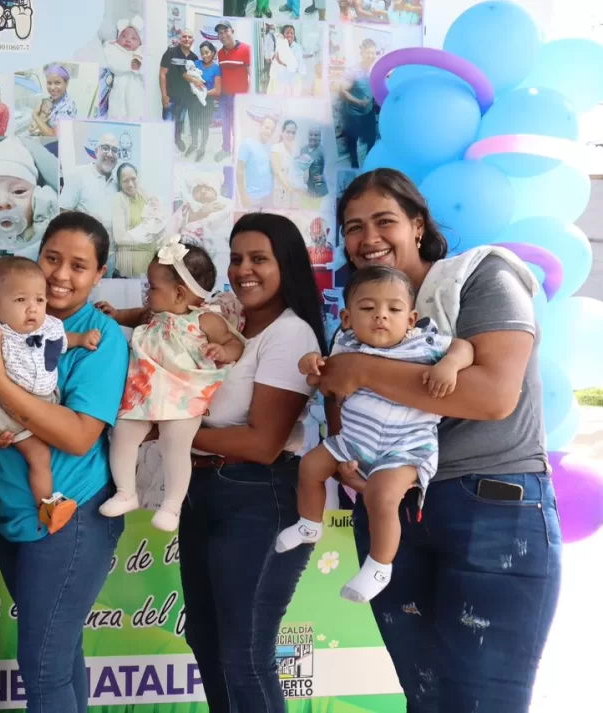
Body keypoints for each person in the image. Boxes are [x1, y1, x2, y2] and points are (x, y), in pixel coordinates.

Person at [318, 169, 558, 711]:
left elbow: (492, 395)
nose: (368, 238)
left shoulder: (481, 275)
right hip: (392, 511)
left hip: (492, 507)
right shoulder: (355, 322)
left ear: (418, 225)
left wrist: (358, 368)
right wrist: (347, 456)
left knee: (483, 701)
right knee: (424, 697)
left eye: (384, 221)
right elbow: (341, 404)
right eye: (353, 228)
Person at [155, 212, 325, 712]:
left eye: (259, 259)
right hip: (202, 493)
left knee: (245, 656)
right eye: (235, 258)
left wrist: (173, 435)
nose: (242, 269)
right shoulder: (224, 321)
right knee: (206, 644)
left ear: (286, 265)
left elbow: (263, 443)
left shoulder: (291, 336)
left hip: (259, 496)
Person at [0, 212, 128, 711]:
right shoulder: (1, 319)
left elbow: (80, 436)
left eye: (79, 266)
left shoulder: (100, 336)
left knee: (42, 670)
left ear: (99, 274)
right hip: (12, 513)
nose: (61, 275)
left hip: (69, 517)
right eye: (53, 259)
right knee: (59, 660)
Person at [282, 266, 474, 602]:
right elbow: (319, 379)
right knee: (309, 467)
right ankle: (309, 523)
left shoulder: (424, 344)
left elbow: (464, 347)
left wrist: (450, 365)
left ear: (411, 318)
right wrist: (311, 362)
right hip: (355, 441)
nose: (381, 317)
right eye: (368, 308)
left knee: (381, 497)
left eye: (394, 309)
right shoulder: (345, 344)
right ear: (346, 317)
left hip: (405, 448)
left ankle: (379, 565)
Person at [101, 237, 244, 531]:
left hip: (183, 394)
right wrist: (115, 316)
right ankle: (126, 492)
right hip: (146, 390)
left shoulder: (206, 320)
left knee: (175, 444)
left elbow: (235, 343)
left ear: (179, 294)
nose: (147, 292)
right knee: (123, 434)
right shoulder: (153, 314)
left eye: (152, 287)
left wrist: (223, 351)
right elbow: (135, 315)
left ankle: (172, 505)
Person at [0, 255, 101, 533]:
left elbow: (61, 341)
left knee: (40, 457)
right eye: (21, 301)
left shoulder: (48, 326)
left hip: (36, 408)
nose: (33, 309)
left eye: (39, 300)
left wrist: (81, 339)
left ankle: (47, 505)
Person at [111, 162, 164, 278]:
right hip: (128, 267)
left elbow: (158, 221)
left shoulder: (144, 194)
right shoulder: (119, 198)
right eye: (125, 181)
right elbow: (119, 238)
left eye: (133, 179)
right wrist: (148, 236)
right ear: (119, 183)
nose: (130, 184)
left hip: (148, 265)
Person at [59, 131, 119, 233]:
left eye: (114, 150)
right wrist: (86, 222)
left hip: (113, 247)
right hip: (85, 245)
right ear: (96, 151)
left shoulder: (118, 181)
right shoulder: (78, 175)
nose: (110, 154)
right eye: (105, 148)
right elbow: (63, 213)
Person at [215, 22, 251, 163]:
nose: (223, 35)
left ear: (232, 31)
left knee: (237, 127)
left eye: (225, 31)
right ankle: (225, 149)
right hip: (224, 96)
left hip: (239, 97)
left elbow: (251, 75)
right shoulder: (219, 53)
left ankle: (238, 152)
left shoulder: (246, 49)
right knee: (225, 124)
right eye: (220, 33)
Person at [339, 39, 378, 169]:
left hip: (368, 111)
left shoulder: (374, 69)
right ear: (361, 52)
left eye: (373, 53)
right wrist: (358, 102)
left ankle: (368, 164)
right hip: (353, 113)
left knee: (371, 139)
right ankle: (354, 165)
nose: (371, 56)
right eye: (368, 53)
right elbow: (342, 90)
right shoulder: (353, 71)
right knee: (353, 141)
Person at [159, 28, 198, 153]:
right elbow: (162, 74)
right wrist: (164, 95)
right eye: (184, 36)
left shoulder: (194, 58)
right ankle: (164, 147)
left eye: (189, 37)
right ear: (180, 39)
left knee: (180, 121)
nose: (187, 39)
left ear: (193, 40)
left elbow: (195, 77)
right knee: (167, 122)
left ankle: (177, 139)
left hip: (185, 98)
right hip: (170, 97)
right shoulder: (170, 52)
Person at [102, 15, 145, 120]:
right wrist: (129, 64)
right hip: (118, 88)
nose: (128, 40)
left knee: (136, 112)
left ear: (140, 43)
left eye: (134, 38)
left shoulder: (142, 52)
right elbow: (112, 63)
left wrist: (140, 67)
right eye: (124, 36)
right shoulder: (113, 49)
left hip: (136, 91)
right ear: (117, 39)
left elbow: (150, 71)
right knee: (116, 112)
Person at [187, 41, 222, 163]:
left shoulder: (216, 69)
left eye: (207, 52)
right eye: (202, 53)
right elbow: (186, 75)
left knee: (204, 126)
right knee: (193, 124)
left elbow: (217, 90)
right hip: (194, 100)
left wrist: (204, 92)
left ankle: (202, 148)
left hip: (207, 101)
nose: (205, 55)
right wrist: (194, 81)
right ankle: (194, 145)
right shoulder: (196, 63)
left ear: (212, 52)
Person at [237, 115, 277, 207]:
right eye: (267, 127)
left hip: (269, 196)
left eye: (272, 130)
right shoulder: (246, 143)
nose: (269, 131)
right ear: (260, 126)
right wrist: (243, 195)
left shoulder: (270, 147)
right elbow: (239, 171)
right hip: (253, 198)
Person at [32, 64, 76, 139]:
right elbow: (40, 120)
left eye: (57, 83)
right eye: (49, 83)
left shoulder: (68, 106)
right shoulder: (50, 100)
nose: (52, 87)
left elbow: (54, 136)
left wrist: (34, 115)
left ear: (66, 83)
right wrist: (34, 126)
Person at [270, 119, 306, 209]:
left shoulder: (296, 149)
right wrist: (290, 189)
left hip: (295, 195)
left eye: (293, 133)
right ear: (282, 132)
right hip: (281, 193)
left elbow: (299, 171)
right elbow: (277, 172)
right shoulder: (276, 149)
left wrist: (301, 185)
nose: (291, 135)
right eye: (288, 132)